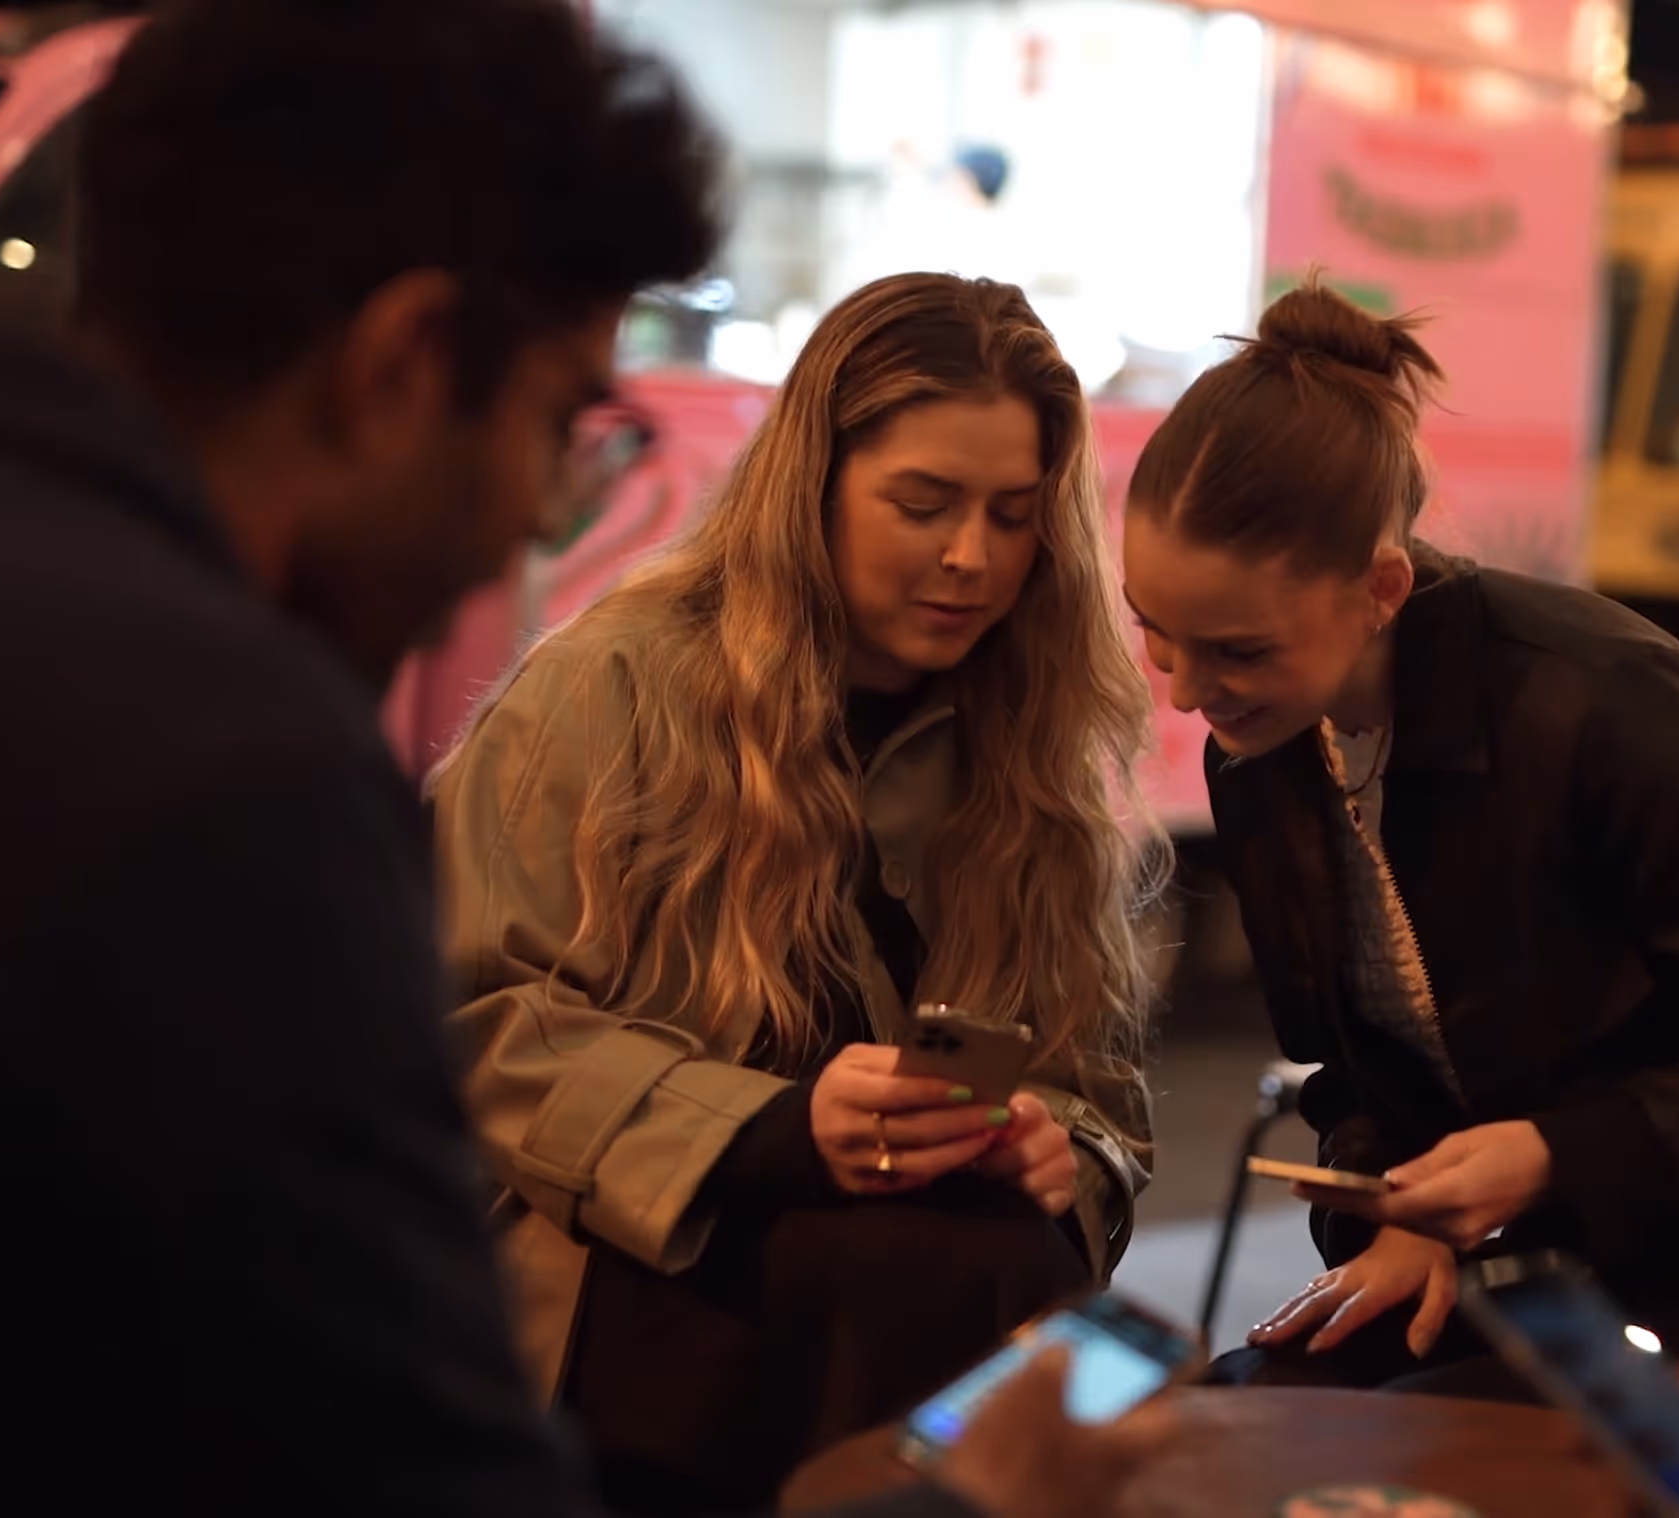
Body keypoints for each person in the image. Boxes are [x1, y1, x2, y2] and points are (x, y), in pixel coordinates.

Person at [0, 4, 1164, 1516]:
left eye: (1011, 517)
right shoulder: (223, 774)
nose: (536, 512)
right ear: (405, 361)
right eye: (557, 417)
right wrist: (960, 1504)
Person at [1116, 283, 1679, 1397]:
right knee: (1235, 1416)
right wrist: (1399, 1215)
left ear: (1379, 589)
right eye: (1157, 634)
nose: (1189, 692)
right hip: (1555, 1275)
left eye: (1236, 651)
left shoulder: (1612, 709)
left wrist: (1556, 1155)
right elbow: (1357, 1074)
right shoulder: (1271, 752)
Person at [430, 270, 1167, 1513]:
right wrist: (768, 1132)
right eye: (921, 505)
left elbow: (1100, 1096)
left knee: (1045, 1317)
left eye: (1013, 515)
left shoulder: (1027, 738)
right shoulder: (611, 687)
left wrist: (1056, 1149)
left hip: (922, 1292)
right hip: (632, 1296)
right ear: (809, 483)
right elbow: (471, 1023)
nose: (970, 558)